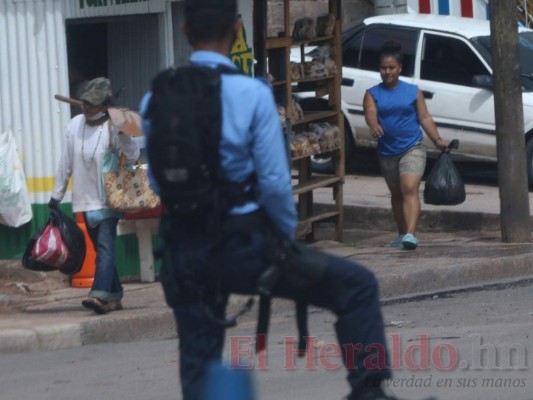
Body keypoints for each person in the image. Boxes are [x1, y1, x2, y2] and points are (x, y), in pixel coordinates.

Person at [140, 2, 435, 400]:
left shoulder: (157, 95)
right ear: (237, 28)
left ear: (184, 27)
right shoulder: (252, 93)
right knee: (357, 287)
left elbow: (159, 180)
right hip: (246, 247)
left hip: (186, 253)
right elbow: (277, 184)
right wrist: (281, 242)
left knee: (199, 359)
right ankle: (368, 393)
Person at [49, 77, 140, 314]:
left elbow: (133, 156)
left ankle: (99, 295)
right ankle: (115, 293)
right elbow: (66, 162)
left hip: (108, 199)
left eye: (92, 103)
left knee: (106, 248)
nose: (86, 107)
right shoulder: (74, 125)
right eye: (85, 102)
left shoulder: (113, 126)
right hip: (83, 199)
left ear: (103, 105)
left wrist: (122, 135)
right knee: (102, 251)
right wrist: (56, 195)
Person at [363, 41, 448, 250]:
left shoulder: (413, 91)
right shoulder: (372, 93)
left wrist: (437, 140)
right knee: (396, 194)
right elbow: (370, 113)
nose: (387, 72)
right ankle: (401, 233)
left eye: (391, 68)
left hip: (412, 148)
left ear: (400, 68)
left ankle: (411, 234)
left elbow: (425, 117)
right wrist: (374, 125)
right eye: (384, 68)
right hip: (386, 152)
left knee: (409, 188)